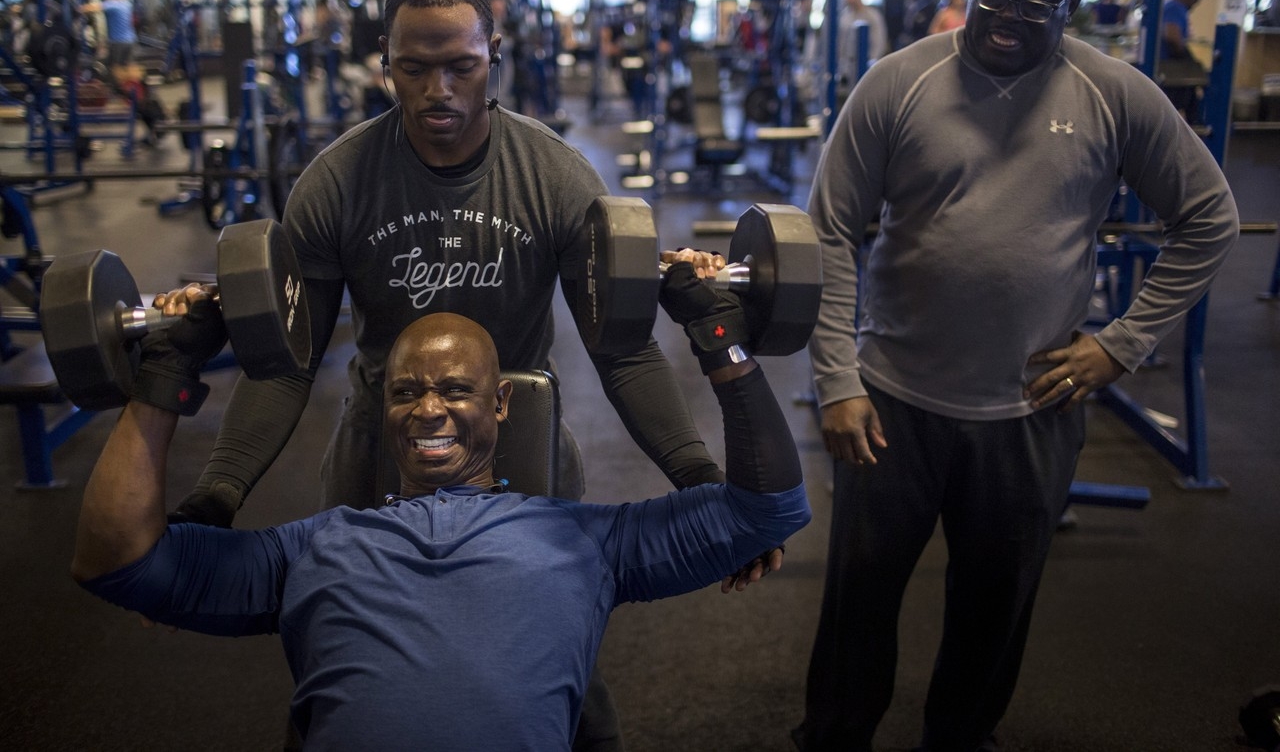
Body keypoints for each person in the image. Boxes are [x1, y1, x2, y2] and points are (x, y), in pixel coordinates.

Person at [162, 0, 779, 750]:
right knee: (342, 628)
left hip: (515, 426)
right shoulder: (338, 181)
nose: (438, 91)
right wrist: (213, 501)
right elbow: (286, 360)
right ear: (384, 63)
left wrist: (702, 487)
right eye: (413, 69)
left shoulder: (553, 174)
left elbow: (620, 352)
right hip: (379, 428)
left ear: (496, 55)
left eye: (461, 66)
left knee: (555, 632)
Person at [792, 0, 1239, 752]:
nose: (1007, 12)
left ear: (1070, 1)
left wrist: (1121, 341)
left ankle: (959, 739)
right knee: (858, 600)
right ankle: (835, 735)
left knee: (994, 609)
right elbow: (829, 233)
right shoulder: (898, 82)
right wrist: (838, 379)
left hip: (1029, 409)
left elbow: (1210, 217)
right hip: (893, 401)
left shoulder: (1113, 92)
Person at [72, 274, 812, 751]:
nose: (429, 409)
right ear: (381, 407)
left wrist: (720, 335)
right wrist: (164, 373)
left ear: (500, 402)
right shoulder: (310, 548)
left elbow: (769, 506)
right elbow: (118, 559)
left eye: (456, 390)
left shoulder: (588, 541)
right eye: (405, 392)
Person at [1160, 0, 1208, 121]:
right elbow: (1172, 36)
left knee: (1191, 99)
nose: (1197, 2)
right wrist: (1185, 57)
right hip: (1171, 67)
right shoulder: (1175, 8)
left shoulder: (1169, 6)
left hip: (1169, 67)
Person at [837, 0, 889, 86]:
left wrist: (871, 64)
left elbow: (879, 42)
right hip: (847, 67)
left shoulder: (873, 16)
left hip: (866, 66)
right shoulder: (845, 16)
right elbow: (841, 42)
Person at [84, 0, 138, 69]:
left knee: (115, 67)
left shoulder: (112, 3)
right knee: (126, 67)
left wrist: (78, 9)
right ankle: (126, 81)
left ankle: (116, 81)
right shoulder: (125, 4)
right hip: (131, 40)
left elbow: (94, 7)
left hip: (118, 41)